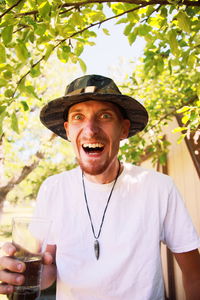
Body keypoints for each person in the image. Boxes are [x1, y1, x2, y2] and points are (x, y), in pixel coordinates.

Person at [0, 74, 200, 300]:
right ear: (67, 130)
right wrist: (19, 273)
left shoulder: (159, 188)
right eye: (78, 117)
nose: (90, 129)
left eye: (105, 116)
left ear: (123, 129)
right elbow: (48, 268)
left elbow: (194, 275)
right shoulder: (53, 188)